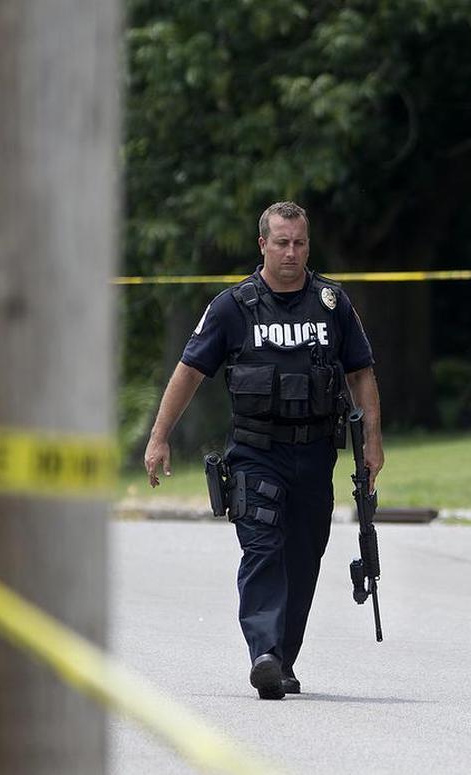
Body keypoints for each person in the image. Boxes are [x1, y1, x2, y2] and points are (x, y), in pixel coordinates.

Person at [143, 201, 384, 700]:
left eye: (299, 243)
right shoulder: (234, 306)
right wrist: (159, 435)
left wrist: (373, 444)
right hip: (255, 452)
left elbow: (361, 372)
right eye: (281, 242)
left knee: (304, 556)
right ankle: (264, 654)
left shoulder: (332, 304)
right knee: (262, 548)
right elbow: (189, 371)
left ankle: (283, 659)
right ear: (262, 245)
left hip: (316, 453)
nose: (291, 252)